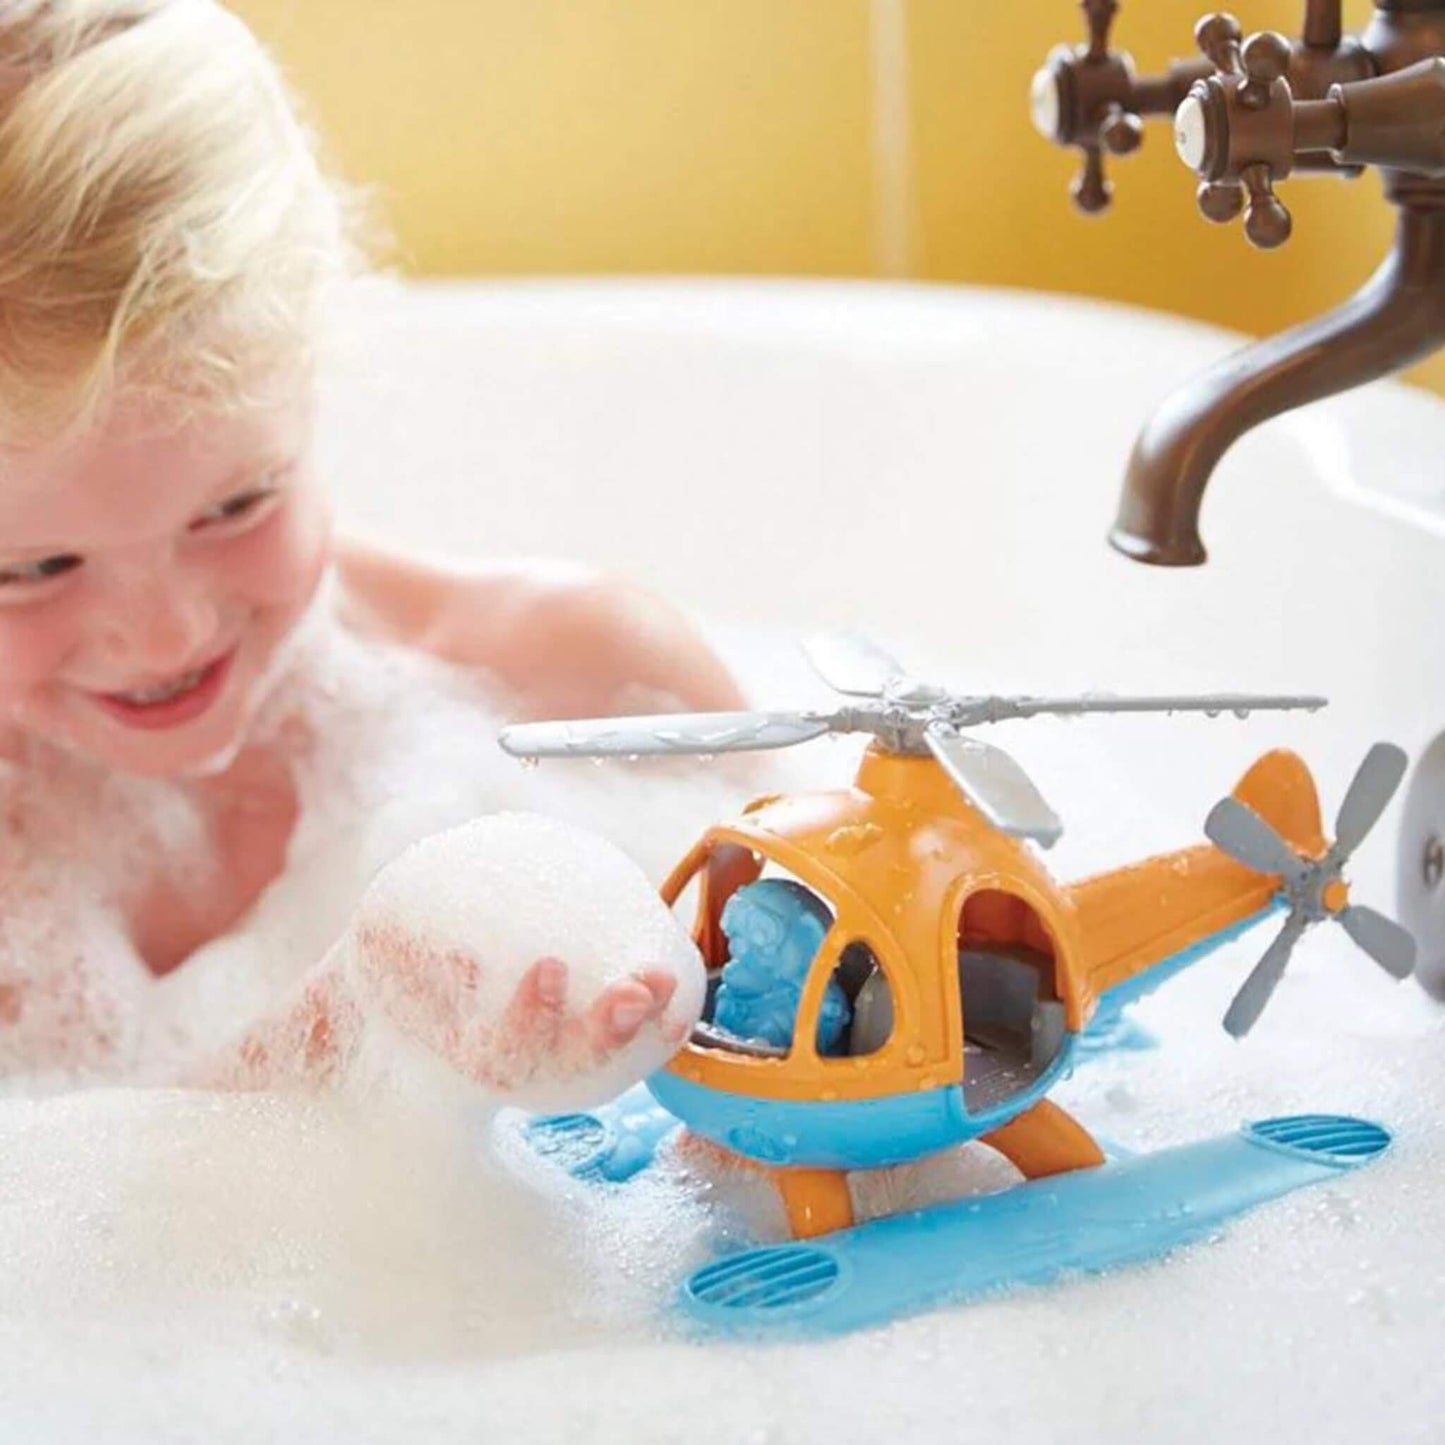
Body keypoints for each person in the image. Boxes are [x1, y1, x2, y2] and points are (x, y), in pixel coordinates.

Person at [0, 0, 741, 1093]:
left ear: (312, 370)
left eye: (236, 505)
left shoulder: (591, 690)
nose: (164, 633)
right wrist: (346, 1032)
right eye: (32, 569)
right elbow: (75, 1187)